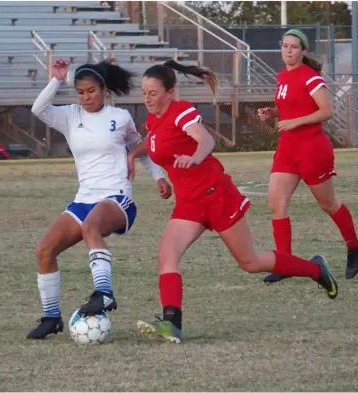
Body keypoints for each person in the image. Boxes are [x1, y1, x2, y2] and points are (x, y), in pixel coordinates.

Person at [128, 60, 339, 344]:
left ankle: (316, 269)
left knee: (250, 262)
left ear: (170, 92)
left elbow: (205, 141)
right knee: (167, 256)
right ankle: (172, 324)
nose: (147, 98)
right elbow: (154, 142)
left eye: (152, 93)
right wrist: (134, 156)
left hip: (216, 195)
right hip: (189, 203)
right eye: (144, 93)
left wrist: (195, 157)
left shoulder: (182, 112)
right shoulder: (154, 119)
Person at [26, 59, 170, 339]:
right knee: (45, 250)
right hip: (84, 199)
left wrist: (159, 177)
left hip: (117, 197)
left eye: (91, 91)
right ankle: (51, 317)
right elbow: (38, 109)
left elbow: (140, 149)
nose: (85, 97)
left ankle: (103, 293)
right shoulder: (69, 116)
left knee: (90, 227)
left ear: (104, 90)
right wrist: (56, 80)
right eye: (80, 92)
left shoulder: (121, 117)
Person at [257, 29, 358, 283]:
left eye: (294, 47)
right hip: (287, 149)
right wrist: (272, 113)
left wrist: (294, 122)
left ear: (303, 51)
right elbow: (290, 107)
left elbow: (325, 111)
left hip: (312, 148)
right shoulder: (282, 76)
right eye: (285, 46)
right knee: (276, 204)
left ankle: (354, 246)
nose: (289, 51)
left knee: (328, 204)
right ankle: (285, 263)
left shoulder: (310, 77)